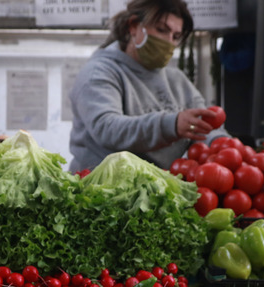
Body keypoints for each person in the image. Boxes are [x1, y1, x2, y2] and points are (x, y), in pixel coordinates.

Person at [68, 0, 230, 173]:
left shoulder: (177, 80)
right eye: (161, 30)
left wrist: (223, 146)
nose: (169, 42)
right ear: (134, 26)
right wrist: (171, 125)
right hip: (102, 188)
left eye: (175, 36)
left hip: (157, 188)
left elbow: (204, 127)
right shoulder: (99, 73)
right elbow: (107, 128)